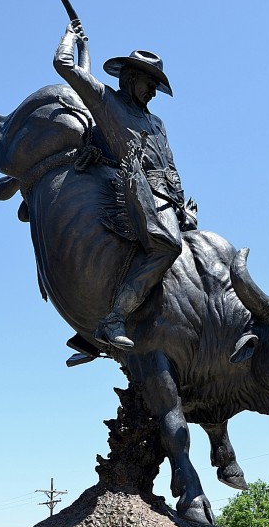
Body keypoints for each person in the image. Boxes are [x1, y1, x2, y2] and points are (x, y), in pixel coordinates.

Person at [53, 20, 197, 349]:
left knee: (193, 259)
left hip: (168, 197)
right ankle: (114, 317)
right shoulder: (107, 100)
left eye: (156, 86)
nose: (152, 92)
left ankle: (113, 335)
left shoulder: (157, 122)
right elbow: (64, 66)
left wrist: (182, 204)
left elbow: (169, 163)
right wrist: (71, 39)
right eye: (149, 83)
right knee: (167, 246)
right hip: (136, 188)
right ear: (130, 78)